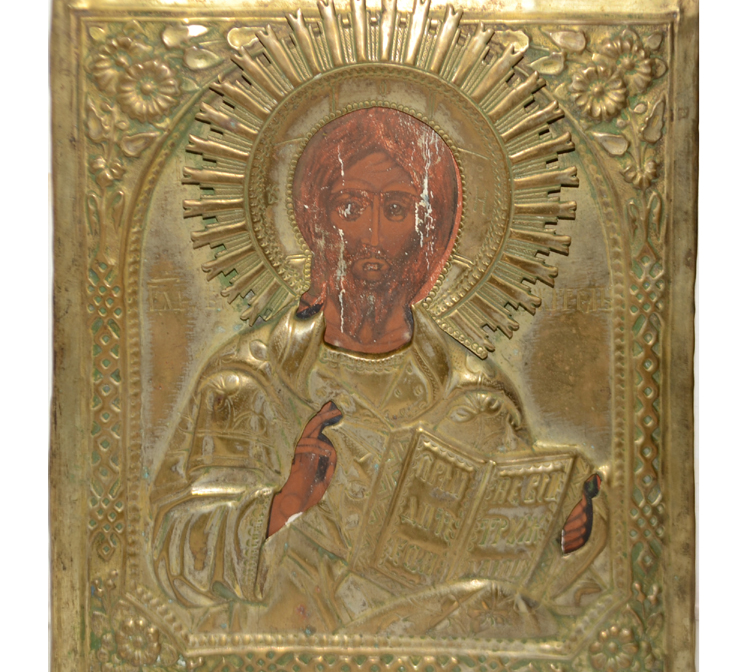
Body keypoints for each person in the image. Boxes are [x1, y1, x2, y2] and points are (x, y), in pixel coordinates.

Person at [150, 108, 604, 636]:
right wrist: (284, 503)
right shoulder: (248, 387)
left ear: (430, 232)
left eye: (395, 209)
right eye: (349, 207)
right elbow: (169, 554)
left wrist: (565, 536)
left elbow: (526, 562)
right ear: (317, 225)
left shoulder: (474, 400)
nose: (370, 234)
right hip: (293, 653)